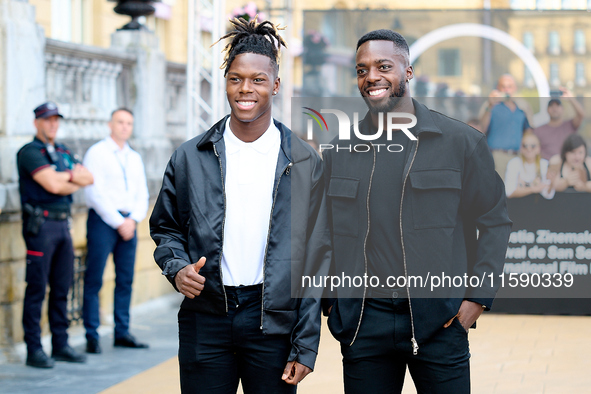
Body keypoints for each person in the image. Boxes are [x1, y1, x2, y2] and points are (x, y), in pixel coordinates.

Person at [323, 30, 511, 393]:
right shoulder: (339, 151)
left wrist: (476, 299)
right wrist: (335, 301)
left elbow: (494, 221)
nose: (372, 76)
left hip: (438, 321)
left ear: (408, 72)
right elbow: (324, 232)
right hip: (365, 323)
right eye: (362, 70)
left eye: (384, 66)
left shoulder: (461, 143)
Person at [149, 18, 329, 394]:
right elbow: (165, 228)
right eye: (236, 78)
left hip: (274, 322)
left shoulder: (304, 161)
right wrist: (176, 267)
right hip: (206, 318)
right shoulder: (190, 156)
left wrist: (306, 344)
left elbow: (317, 256)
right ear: (226, 82)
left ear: (275, 85)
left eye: (258, 80)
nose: (245, 89)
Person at [17, 102, 94, 368]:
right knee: (37, 289)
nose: (52, 124)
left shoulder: (62, 150)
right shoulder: (29, 152)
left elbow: (88, 178)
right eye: (47, 120)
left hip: (63, 226)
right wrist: (68, 179)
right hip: (42, 227)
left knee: (62, 287)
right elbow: (51, 183)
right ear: (37, 122)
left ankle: (60, 344)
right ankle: (34, 349)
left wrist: (64, 178)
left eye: (55, 120)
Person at [82, 108, 150, 354]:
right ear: (110, 124)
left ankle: (122, 332)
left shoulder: (134, 157)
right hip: (103, 222)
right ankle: (92, 334)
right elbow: (94, 192)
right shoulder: (97, 153)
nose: (124, 127)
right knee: (94, 279)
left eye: (129, 123)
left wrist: (132, 220)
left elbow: (142, 193)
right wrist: (117, 221)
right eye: (120, 122)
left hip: (129, 223)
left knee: (125, 280)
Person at [479, 74, 533, 178]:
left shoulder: (522, 107)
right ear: (498, 88)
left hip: (518, 156)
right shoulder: (490, 106)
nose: (507, 89)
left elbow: (528, 131)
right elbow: (481, 129)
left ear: (515, 88)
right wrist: (490, 106)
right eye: (503, 86)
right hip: (498, 156)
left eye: (510, 86)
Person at [533, 88, 584, 160]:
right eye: (551, 106)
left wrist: (571, 99)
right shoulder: (538, 130)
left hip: (567, 166)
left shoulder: (570, 125)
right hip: (546, 167)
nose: (554, 108)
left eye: (557, 105)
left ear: (563, 109)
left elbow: (581, 115)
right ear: (547, 110)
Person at [504, 132, 554, 199]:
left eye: (533, 146)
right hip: (517, 205)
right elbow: (508, 192)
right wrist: (533, 189)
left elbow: (548, 195)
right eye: (525, 146)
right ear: (521, 148)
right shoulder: (514, 163)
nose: (529, 149)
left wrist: (552, 183)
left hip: (539, 206)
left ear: (539, 148)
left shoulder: (545, 164)